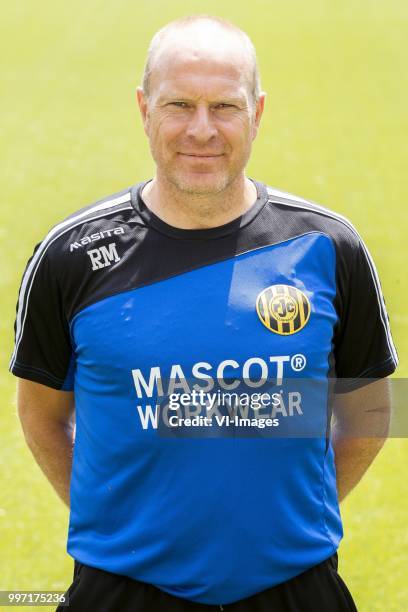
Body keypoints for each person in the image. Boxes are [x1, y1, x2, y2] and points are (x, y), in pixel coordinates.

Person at [10, 14, 397, 612]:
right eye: (179, 104)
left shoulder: (329, 247)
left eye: (224, 106)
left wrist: (289, 525)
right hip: (122, 592)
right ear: (143, 109)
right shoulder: (71, 258)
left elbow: (369, 407)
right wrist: (120, 529)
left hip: (295, 590)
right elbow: (40, 415)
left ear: (258, 113)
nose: (201, 129)